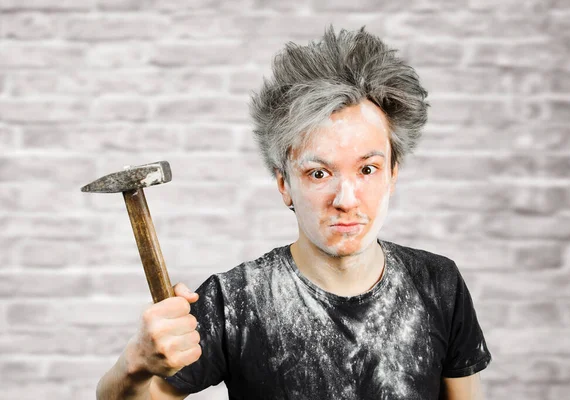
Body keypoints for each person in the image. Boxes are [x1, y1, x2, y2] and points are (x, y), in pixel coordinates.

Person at [97, 25, 492, 400]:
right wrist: (135, 364)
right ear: (285, 183)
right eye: (319, 173)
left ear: (392, 174)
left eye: (367, 169)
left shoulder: (439, 284)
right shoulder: (236, 300)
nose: (347, 198)